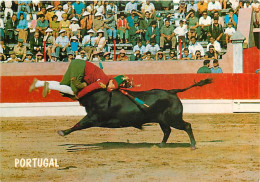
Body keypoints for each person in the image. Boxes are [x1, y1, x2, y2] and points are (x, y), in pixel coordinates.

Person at [29, 59, 131, 99]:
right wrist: (79, 96)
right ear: (112, 82)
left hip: (77, 63)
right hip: (81, 67)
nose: (113, 89)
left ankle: (38, 83)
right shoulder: (104, 81)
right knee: (74, 91)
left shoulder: (105, 78)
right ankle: (48, 85)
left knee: (63, 85)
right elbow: (89, 88)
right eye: (114, 86)